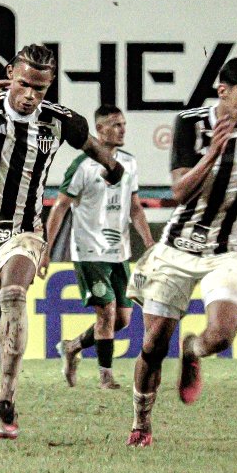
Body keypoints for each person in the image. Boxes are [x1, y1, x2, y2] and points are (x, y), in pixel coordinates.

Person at [0, 44, 124, 451]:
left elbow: (92, 146)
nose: (31, 95)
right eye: (24, 84)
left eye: (40, 87)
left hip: (23, 232)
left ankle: (7, 397)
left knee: (14, 293)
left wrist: (113, 168)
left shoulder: (58, 120)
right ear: (9, 73)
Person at [125, 57, 237, 447]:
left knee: (221, 336)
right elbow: (180, 191)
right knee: (152, 346)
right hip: (178, 247)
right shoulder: (190, 123)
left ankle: (193, 349)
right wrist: (215, 150)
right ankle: (141, 423)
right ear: (223, 91)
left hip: (228, 251)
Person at [46, 104, 155, 390]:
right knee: (105, 312)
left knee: (122, 319)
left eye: (123, 124)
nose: (122, 130)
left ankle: (72, 347)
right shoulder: (82, 166)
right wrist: (45, 250)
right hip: (89, 252)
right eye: (115, 124)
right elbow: (60, 208)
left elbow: (135, 208)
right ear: (99, 130)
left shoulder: (129, 163)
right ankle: (106, 376)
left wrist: (150, 242)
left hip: (120, 252)